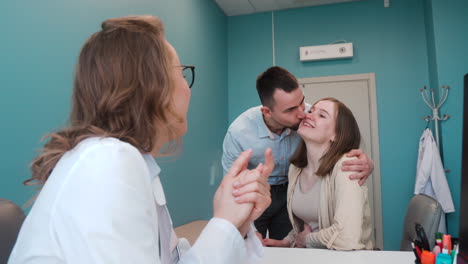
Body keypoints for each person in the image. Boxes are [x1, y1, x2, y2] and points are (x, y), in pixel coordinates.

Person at [8, 15, 274, 264]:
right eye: (181, 73)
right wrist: (225, 222)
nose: (187, 89)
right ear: (153, 87)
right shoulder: (107, 160)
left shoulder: (124, 163)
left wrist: (234, 221)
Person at [222, 66, 374, 241]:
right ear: (267, 112)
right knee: (249, 243)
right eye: (291, 110)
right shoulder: (239, 133)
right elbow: (233, 185)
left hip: (289, 189)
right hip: (256, 191)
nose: (303, 114)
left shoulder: (309, 117)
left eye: (302, 102)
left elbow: (341, 137)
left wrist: (368, 163)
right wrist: (250, 229)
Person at [263, 97, 373, 250]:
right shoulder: (295, 169)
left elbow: (347, 238)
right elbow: (307, 225)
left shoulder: (347, 166)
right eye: (311, 111)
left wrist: (307, 240)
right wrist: (288, 241)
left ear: (336, 134)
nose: (308, 115)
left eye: (322, 115)